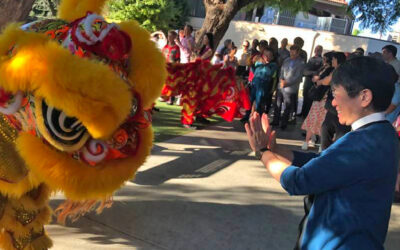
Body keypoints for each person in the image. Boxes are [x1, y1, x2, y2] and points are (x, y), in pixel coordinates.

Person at [245, 56, 398, 249]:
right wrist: (275, 149)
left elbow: (298, 181)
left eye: (335, 93)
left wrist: (262, 151)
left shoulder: (362, 142)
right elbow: (323, 163)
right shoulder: (383, 133)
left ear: (364, 97)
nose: (333, 103)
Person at [301, 51, 333, 151]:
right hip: (323, 98)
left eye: (324, 58)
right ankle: (318, 144)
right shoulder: (331, 70)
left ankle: (307, 142)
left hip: (320, 98)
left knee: (314, 119)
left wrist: (318, 80)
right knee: (320, 121)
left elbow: (318, 80)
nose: (323, 60)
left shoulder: (327, 69)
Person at [320, 52, 351, 150]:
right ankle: (326, 153)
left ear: (338, 60)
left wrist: (319, 81)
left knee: (338, 132)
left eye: (333, 59)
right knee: (325, 129)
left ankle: (332, 153)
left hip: (342, 107)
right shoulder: (336, 70)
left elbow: (326, 82)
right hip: (333, 107)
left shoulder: (340, 71)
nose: (332, 61)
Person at [271, 45, 305, 129]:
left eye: (294, 52)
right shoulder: (286, 60)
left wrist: (287, 83)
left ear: (298, 53)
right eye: (291, 51)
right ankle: (275, 121)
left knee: (287, 106)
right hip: (281, 86)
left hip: (290, 88)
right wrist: (281, 80)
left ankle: (283, 123)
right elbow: (281, 71)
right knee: (278, 104)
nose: (291, 53)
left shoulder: (301, 62)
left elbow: (298, 76)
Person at [301, 45, 324, 118]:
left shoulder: (322, 60)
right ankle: (302, 112)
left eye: (319, 49)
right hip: (307, 81)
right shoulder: (311, 59)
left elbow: (318, 72)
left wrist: (310, 72)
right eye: (316, 49)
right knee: (305, 96)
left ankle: (307, 114)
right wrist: (312, 72)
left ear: (321, 51)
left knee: (310, 98)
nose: (317, 51)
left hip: (313, 82)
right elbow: (305, 71)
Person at [162, 30, 181, 105]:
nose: (168, 37)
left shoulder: (176, 47)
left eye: (170, 36)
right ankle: (165, 97)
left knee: (171, 83)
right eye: (168, 36)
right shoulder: (165, 46)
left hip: (172, 67)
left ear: (174, 37)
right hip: (165, 66)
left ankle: (171, 99)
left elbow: (178, 58)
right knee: (165, 82)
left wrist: (177, 67)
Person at [382, 45, 400, 123]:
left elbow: (393, 104)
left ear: (390, 53)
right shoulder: (386, 63)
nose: (382, 54)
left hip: (393, 96)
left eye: (384, 52)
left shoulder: (397, 65)